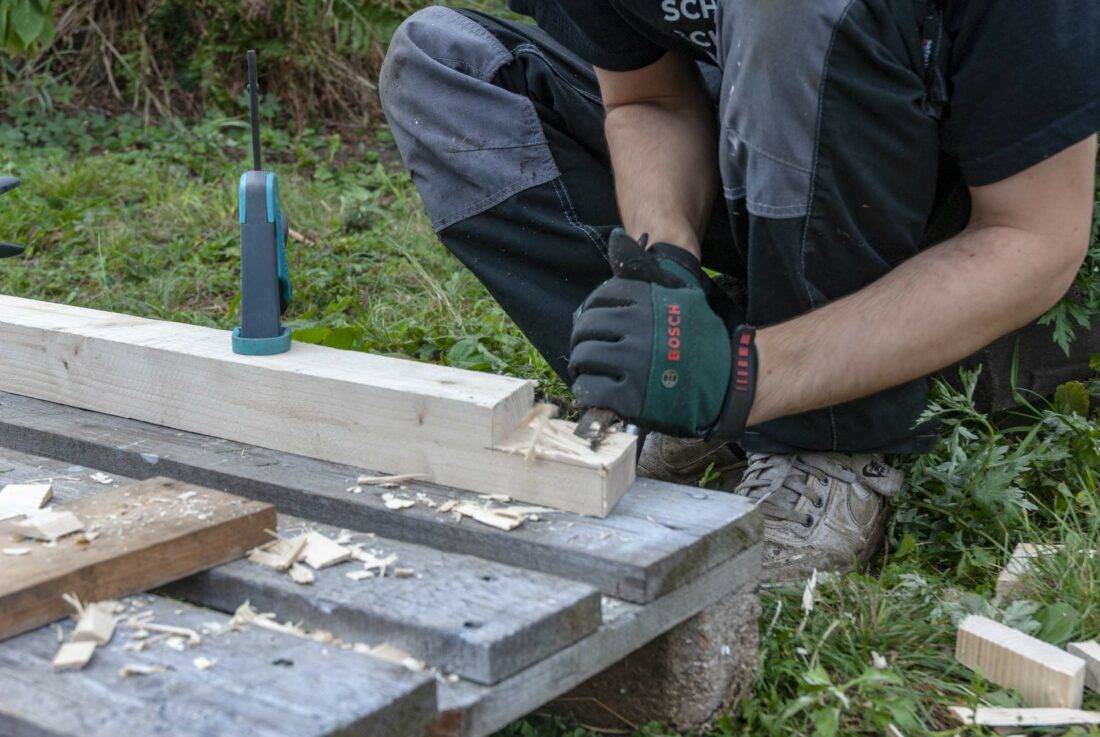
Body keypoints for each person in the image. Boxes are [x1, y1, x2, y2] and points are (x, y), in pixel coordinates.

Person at [378, 1, 1100, 579]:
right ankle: (683, 384)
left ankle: (826, 440)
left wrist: (753, 375)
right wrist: (668, 267)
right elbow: (648, 98)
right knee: (446, 65)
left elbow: (1036, 241)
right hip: (763, 150)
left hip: (953, 203)